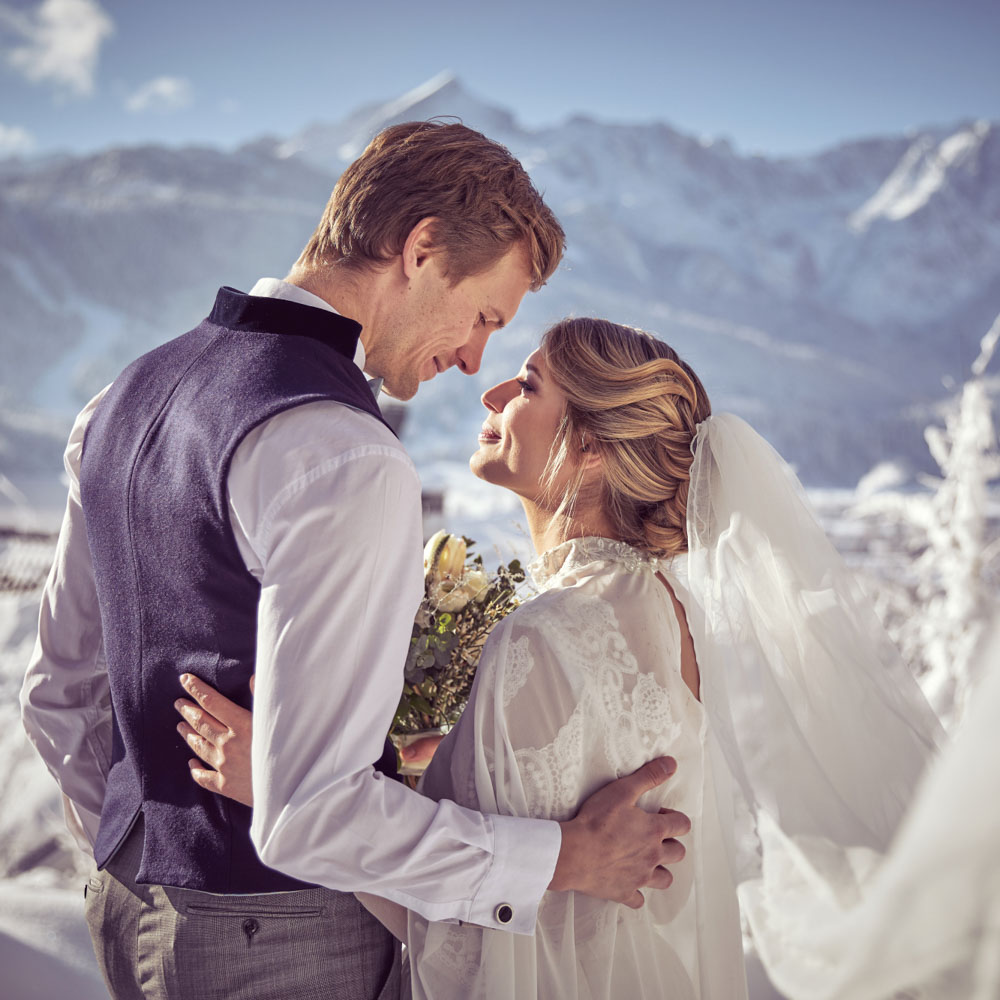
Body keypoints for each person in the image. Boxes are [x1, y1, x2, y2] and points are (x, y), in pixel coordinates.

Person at [19, 126, 690, 1000]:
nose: (472, 359)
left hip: (124, 914)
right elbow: (312, 816)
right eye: (483, 316)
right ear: (420, 250)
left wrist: (147, 857)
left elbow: (58, 696)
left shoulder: (121, 398)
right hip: (285, 943)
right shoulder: (344, 456)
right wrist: (561, 856)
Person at [182, 316, 945, 998]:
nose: (493, 394)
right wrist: (427, 773)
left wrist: (282, 783)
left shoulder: (542, 640)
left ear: (587, 452)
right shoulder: (668, 611)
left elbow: (481, 939)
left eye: (529, 383)